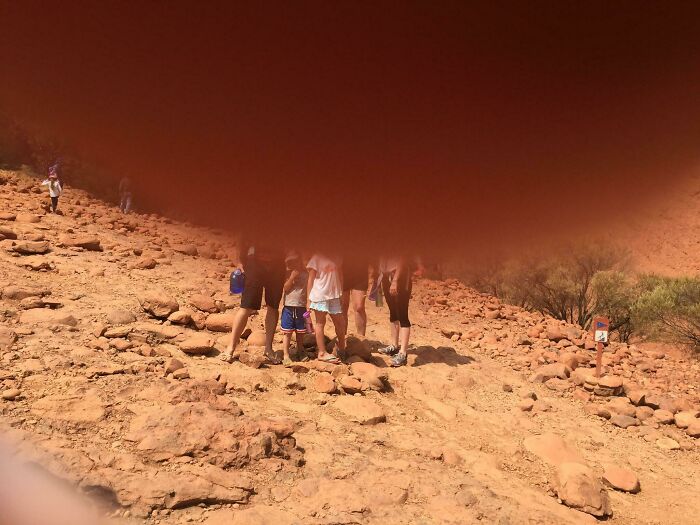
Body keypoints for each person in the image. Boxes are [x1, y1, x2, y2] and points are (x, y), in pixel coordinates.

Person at [220, 241, 285, 364]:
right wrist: (239, 262)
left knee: (273, 306)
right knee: (246, 306)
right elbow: (242, 239)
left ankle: (268, 348)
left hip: (277, 266)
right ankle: (231, 347)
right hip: (255, 264)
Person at [377, 256, 420, 366]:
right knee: (393, 312)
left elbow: (402, 259)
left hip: (400, 277)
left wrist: (395, 280)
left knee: (402, 313)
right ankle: (394, 346)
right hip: (386, 276)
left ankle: (403, 353)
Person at [306, 253, 346, 363]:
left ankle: (342, 348)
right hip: (320, 294)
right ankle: (322, 352)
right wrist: (308, 300)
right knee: (320, 322)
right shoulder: (316, 257)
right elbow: (310, 279)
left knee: (340, 322)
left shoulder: (338, 256)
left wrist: (341, 293)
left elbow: (340, 275)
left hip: (334, 294)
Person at [280, 251, 308, 366]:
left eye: (296, 261)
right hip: (289, 306)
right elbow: (286, 288)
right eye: (291, 262)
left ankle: (300, 350)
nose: (294, 264)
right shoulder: (287, 274)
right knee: (287, 332)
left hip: (301, 306)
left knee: (300, 332)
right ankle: (286, 354)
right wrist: (292, 277)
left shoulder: (306, 274)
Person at [341, 256, 373, 337]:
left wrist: (372, 279)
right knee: (342, 306)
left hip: (360, 274)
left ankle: (361, 337)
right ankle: (342, 337)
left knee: (359, 307)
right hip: (342, 272)